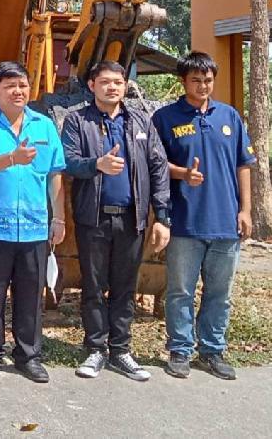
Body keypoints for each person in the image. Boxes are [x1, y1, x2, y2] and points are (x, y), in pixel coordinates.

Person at [61, 61, 171, 381]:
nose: (112, 87)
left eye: (118, 82)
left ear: (125, 86)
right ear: (92, 85)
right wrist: (97, 164)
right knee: (94, 286)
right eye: (105, 82)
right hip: (93, 218)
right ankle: (95, 348)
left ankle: (121, 350)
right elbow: (68, 162)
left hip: (131, 219)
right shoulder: (77, 121)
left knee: (125, 286)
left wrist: (162, 216)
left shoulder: (140, 122)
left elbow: (158, 168)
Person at [0, 61, 65, 384]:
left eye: (22, 85)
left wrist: (59, 218)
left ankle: (28, 356)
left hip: (33, 227)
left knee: (31, 296)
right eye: (10, 86)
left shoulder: (44, 125)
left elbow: (54, 174)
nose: (18, 91)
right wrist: (11, 159)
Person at [152, 51, 255, 380]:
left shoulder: (229, 116)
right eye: (196, 80)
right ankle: (180, 350)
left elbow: (243, 165)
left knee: (219, 293)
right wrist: (182, 173)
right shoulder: (165, 118)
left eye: (208, 80)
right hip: (185, 221)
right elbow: (155, 164)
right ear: (183, 81)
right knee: (180, 291)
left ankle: (212, 351)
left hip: (226, 222)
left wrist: (245, 210)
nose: (203, 85)